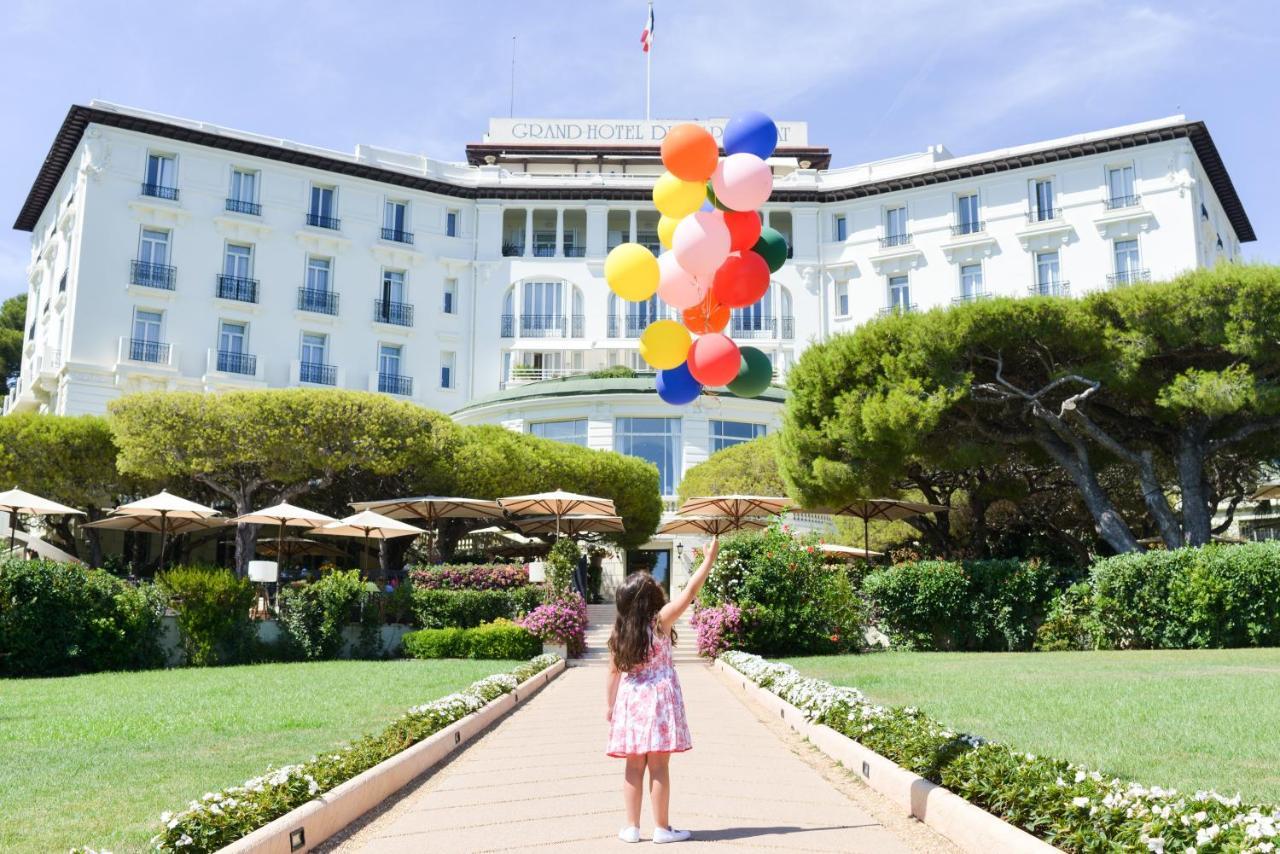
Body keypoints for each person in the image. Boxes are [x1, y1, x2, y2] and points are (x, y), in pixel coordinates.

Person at [605, 536, 720, 844]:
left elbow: (613, 674)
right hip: (657, 699)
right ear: (649, 599)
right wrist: (708, 560)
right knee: (658, 766)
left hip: (630, 701)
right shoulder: (661, 622)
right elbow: (691, 591)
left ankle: (631, 827)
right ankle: (662, 828)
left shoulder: (619, 634)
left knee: (633, 766)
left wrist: (610, 706)